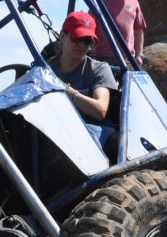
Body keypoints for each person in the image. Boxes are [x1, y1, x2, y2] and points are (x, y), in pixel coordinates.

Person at [50, 11, 118, 148]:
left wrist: (68, 92)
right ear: (62, 36)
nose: (82, 45)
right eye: (76, 39)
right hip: (54, 130)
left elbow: (100, 110)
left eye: (87, 41)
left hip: (90, 134)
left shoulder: (99, 69)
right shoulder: (47, 69)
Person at [94, 0, 147, 66]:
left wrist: (139, 54)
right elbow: (91, 24)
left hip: (128, 58)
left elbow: (139, 29)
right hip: (103, 57)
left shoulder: (134, 2)